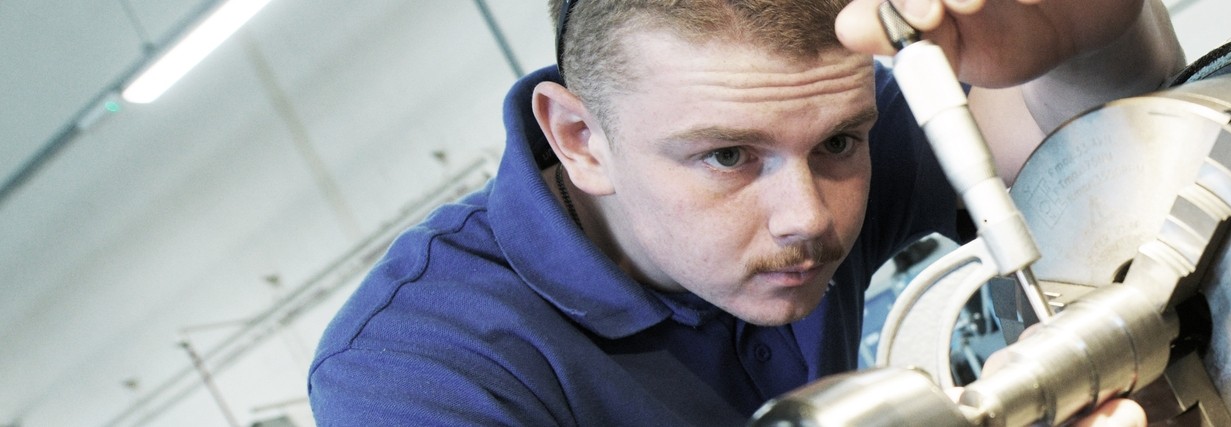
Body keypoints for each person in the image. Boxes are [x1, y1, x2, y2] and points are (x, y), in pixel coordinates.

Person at [307, 0, 1183, 424]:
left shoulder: (811, 137)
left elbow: (1090, 162)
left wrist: (1093, 37)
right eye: (727, 156)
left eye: (841, 143)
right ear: (580, 138)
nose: (807, 217)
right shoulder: (412, 364)